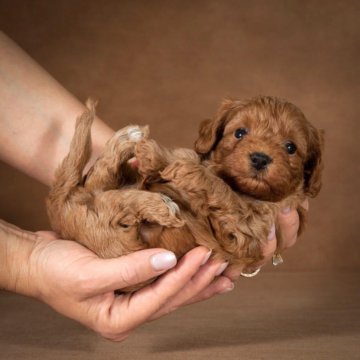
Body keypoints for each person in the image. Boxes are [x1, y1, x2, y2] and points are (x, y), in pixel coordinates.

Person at [0, 31, 305, 342]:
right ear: (213, 136)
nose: (261, 153)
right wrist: (21, 262)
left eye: (290, 148)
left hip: (120, 224)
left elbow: (227, 221)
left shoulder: (250, 201)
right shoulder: (196, 165)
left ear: (310, 170)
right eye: (240, 133)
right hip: (118, 226)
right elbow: (177, 173)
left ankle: (106, 180)